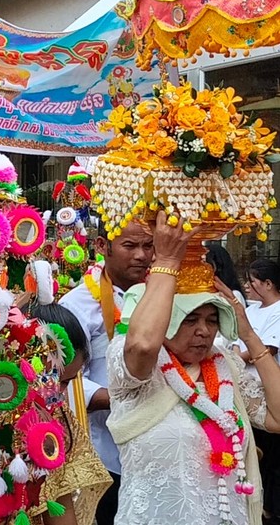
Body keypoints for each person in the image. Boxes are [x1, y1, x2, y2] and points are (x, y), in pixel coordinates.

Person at [107, 212, 280, 525]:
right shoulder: (134, 364)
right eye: (189, 319)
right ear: (165, 320)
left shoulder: (223, 365)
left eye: (212, 320)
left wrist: (249, 336)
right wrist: (168, 262)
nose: (204, 331)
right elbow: (144, 344)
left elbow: (278, 418)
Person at [59, 221, 152, 525]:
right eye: (130, 246)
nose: (141, 255)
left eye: (148, 246)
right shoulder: (76, 304)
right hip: (106, 456)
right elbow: (62, 377)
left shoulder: (160, 296)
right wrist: (123, 398)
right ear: (102, 246)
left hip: (157, 451)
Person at [28, 302, 113, 525]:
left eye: (65, 383)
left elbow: (60, 498)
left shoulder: (57, 417)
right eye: (45, 378)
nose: (55, 392)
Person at [240, 259, 280, 522]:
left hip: (268, 393)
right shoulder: (251, 310)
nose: (247, 286)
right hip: (244, 392)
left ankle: (270, 509)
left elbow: (268, 349)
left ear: (268, 284)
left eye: (252, 281)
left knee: (271, 455)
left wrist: (236, 356)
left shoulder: (278, 312)